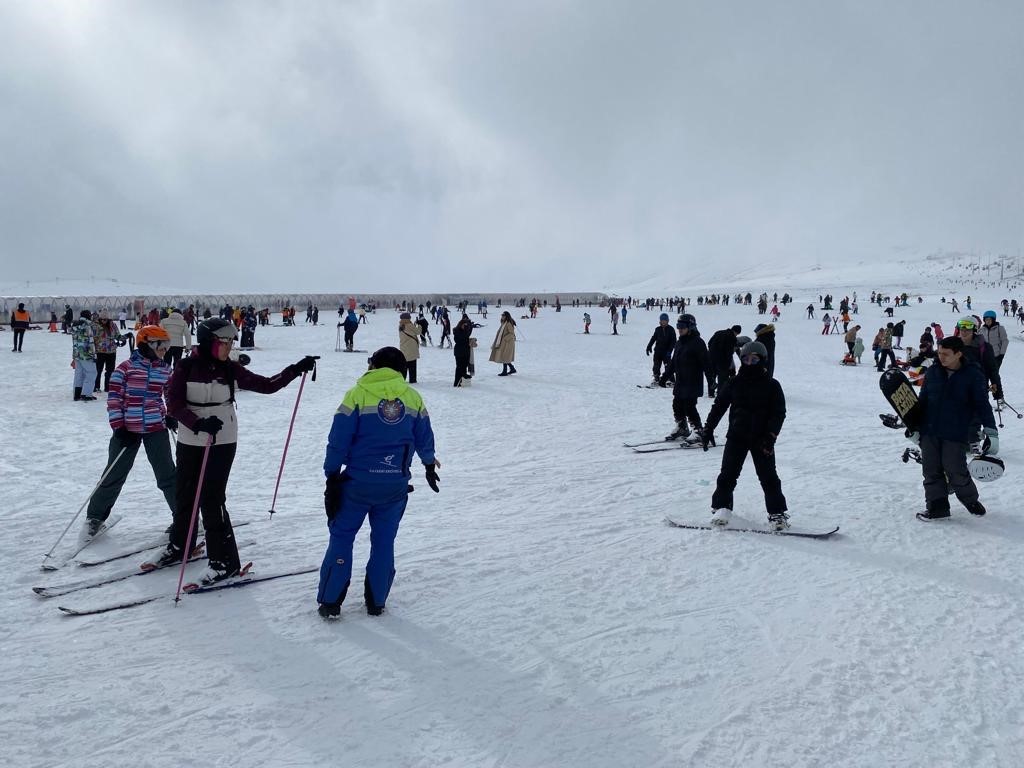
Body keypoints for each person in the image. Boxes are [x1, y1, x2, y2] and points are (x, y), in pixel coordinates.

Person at [144, 319, 317, 584]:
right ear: (209, 342)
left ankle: (224, 561)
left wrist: (295, 369)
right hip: (191, 436)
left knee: (212, 499)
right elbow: (174, 404)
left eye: (230, 342)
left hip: (223, 439)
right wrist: (198, 423)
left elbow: (266, 385)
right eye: (224, 342)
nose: (229, 347)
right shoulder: (185, 366)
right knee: (185, 493)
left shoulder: (229, 368)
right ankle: (181, 545)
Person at [317, 346, 438, 618]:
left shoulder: (356, 395)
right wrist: (429, 464)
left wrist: (331, 474)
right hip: (394, 486)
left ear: (374, 366)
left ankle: (330, 600)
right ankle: (377, 601)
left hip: (356, 484)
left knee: (342, 537)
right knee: (384, 541)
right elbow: (424, 437)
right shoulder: (413, 397)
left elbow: (338, 440)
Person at [83, 326, 177, 536]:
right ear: (146, 345)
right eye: (160, 345)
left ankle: (183, 517)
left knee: (167, 474)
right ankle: (94, 519)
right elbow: (114, 399)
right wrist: (119, 427)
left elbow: (171, 394)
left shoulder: (164, 369)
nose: (164, 350)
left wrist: (171, 414)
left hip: (156, 427)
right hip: (127, 429)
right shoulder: (124, 369)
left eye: (167, 346)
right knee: (113, 474)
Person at [698, 340, 789, 530]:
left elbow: (779, 412)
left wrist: (771, 436)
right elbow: (719, 406)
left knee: (769, 478)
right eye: (745, 359)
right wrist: (708, 429)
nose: (749, 363)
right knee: (727, 475)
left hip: (762, 439)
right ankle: (721, 508)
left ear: (762, 361)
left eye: (754, 360)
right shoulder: (734, 383)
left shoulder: (772, 385)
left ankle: (777, 514)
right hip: (736, 436)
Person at [914, 337, 996, 519]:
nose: (940, 357)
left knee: (955, 469)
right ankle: (938, 508)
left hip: (956, 431)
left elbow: (982, 404)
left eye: (946, 354)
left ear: (958, 354)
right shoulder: (934, 371)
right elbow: (923, 400)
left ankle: (970, 500)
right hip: (930, 429)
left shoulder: (973, 375)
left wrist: (991, 431)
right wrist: (914, 426)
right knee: (931, 470)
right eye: (939, 353)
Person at [663, 314, 709, 440]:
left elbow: (706, 363)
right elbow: (673, 362)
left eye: (682, 326)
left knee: (689, 406)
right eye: (678, 326)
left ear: (691, 327)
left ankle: (698, 431)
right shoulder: (679, 343)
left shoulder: (698, 343)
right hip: (681, 381)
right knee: (677, 404)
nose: (679, 329)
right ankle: (682, 427)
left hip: (692, 381)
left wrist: (711, 381)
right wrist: (664, 376)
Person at [71, 310, 98, 402]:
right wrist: (93, 355)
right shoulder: (87, 326)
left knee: (79, 374)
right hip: (86, 354)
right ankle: (86, 394)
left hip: (77, 354)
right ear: (88, 316)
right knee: (91, 373)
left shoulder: (75, 326)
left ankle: (77, 394)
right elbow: (90, 342)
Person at [92, 311, 122, 392]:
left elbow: (117, 335)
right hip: (100, 351)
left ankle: (108, 387)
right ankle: (96, 386)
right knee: (98, 370)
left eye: (106, 319)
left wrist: (123, 338)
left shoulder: (113, 325)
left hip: (111, 351)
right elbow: (92, 338)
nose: (104, 321)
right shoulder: (95, 326)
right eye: (102, 319)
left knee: (110, 370)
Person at [646, 313, 678, 386]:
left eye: (665, 321)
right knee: (656, 365)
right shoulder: (658, 329)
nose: (663, 322)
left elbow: (673, 341)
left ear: (667, 321)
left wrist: (670, 350)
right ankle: (656, 378)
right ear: (660, 321)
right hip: (658, 351)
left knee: (668, 366)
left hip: (666, 352)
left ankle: (671, 379)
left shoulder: (671, 329)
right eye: (662, 321)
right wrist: (649, 346)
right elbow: (653, 338)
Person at [490, 311, 517, 376]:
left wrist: (505, 339)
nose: (502, 317)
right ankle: (512, 368)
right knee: (504, 356)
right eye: (502, 315)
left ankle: (505, 371)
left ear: (506, 316)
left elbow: (511, 334)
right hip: (503, 342)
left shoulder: (508, 324)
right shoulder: (503, 323)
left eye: (503, 316)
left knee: (504, 356)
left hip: (507, 343)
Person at [398, 312, 421, 383]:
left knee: (404, 366)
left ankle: (402, 380)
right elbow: (418, 332)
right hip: (411, 349)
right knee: (412, 366)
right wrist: (419, 325)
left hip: (403, 349)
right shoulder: (410, 325)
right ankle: (413, 380)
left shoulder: (401, 326)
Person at [453, 314, 474, 387]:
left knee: (464, 367)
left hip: (465, 352)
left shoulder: (464, 331)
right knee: (459, 367)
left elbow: (467, 335)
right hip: (460, 352)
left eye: (466, 325)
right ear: (460, 324)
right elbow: (461, 339)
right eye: (464, 325)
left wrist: (470, 326)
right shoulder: (457, 331)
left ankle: (462, 381)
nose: (465, 327)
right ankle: (457, 382)